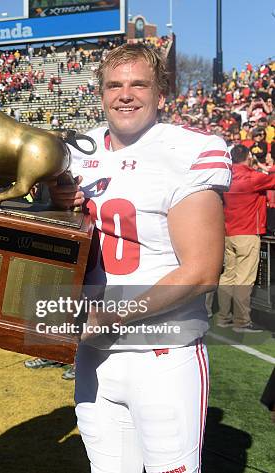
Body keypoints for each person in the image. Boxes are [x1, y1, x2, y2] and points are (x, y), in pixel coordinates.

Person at [49, 43, 231, 473]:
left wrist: (111, 315)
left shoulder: (188, 151)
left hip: (163, 353)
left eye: (138, 84)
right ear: (101, 93)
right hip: (94, 355)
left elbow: (203, 271)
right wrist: (59, 204)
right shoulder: (77, 150)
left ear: (161, 95)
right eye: (114, 85)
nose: (125, 94)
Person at [215, 144, 274, 332]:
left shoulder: (226, 176)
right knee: (244, 279)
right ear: (248, 157)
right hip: (247, 233)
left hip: (229, 232)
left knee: (227, 276)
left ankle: (223, 317)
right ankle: (242, 322)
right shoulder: (252, 177)